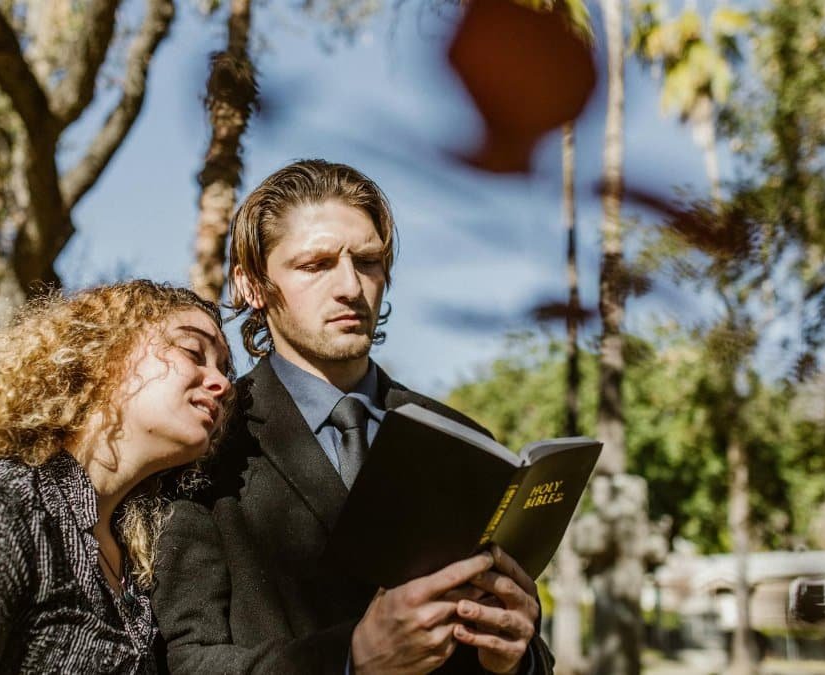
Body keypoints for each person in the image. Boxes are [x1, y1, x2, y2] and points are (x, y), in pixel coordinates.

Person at [153, 160, 555, 674]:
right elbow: (186, 661)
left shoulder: (464, 443)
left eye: (367, 260)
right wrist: (351, 661)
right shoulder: (204, 444)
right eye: (316, 265)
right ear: (252, 285)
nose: (351, 286)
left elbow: (521, 646)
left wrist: (518, 659)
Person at [0, 280, 233, 674]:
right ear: (103, 353)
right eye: (192, 351)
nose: (221, 385)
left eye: (224, 370)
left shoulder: (139, 565)